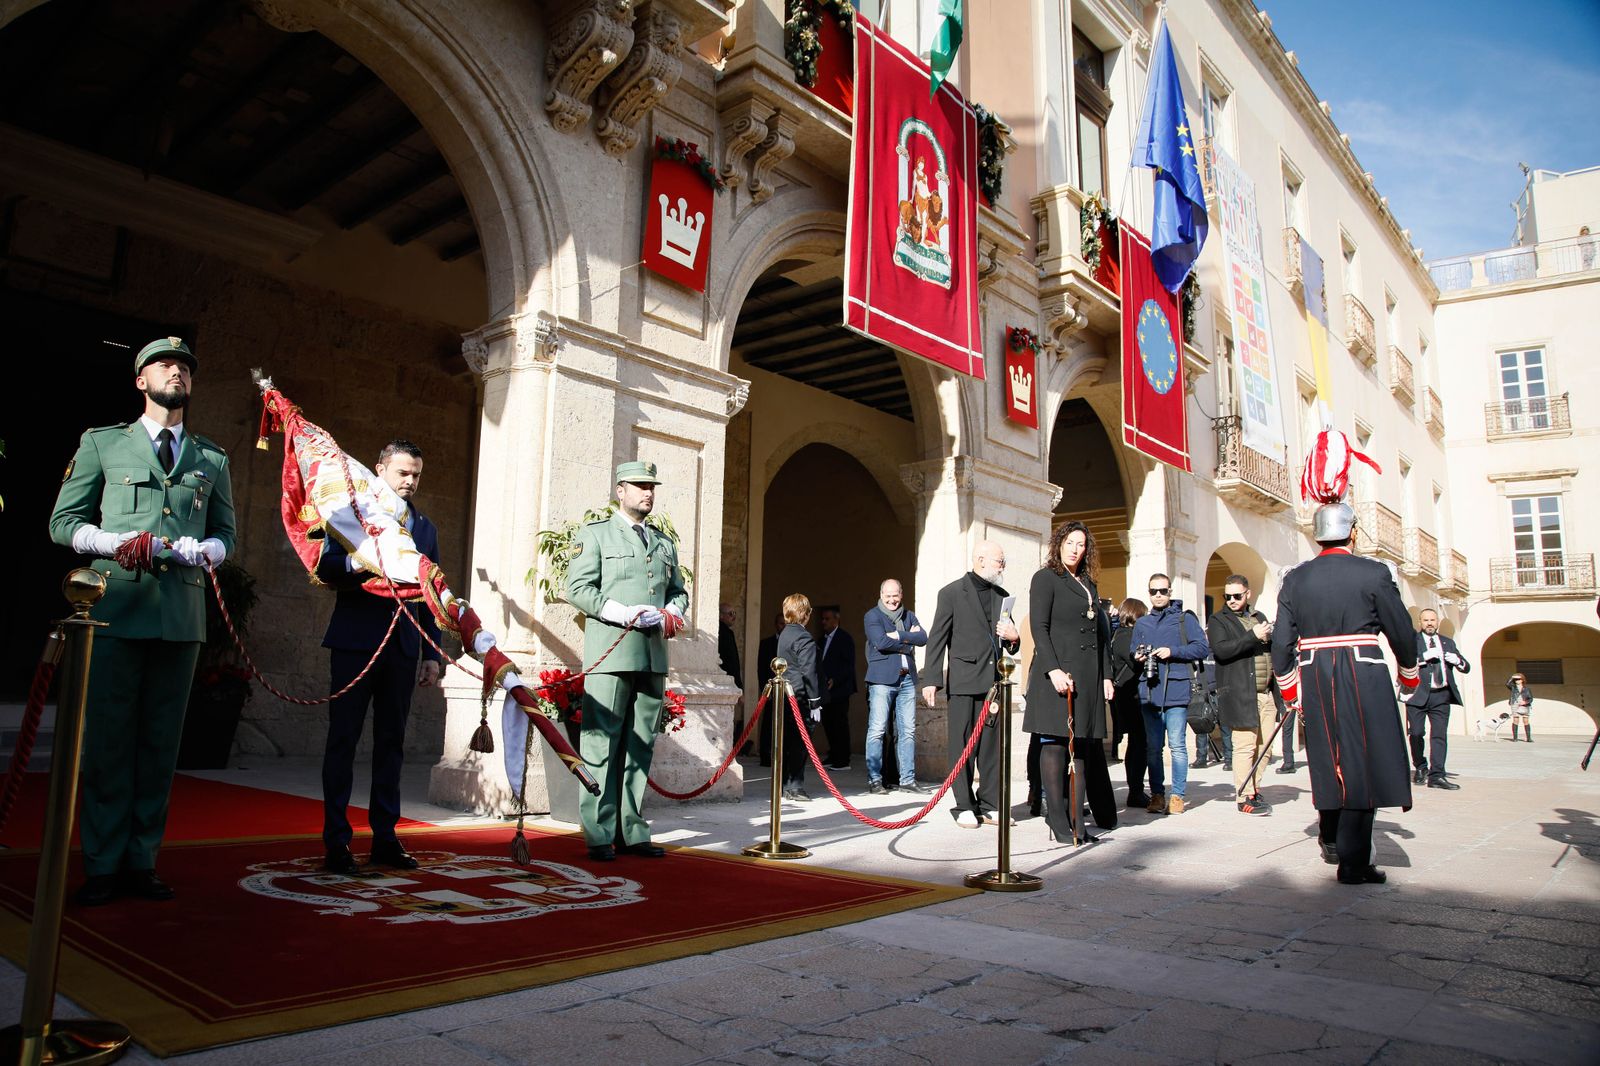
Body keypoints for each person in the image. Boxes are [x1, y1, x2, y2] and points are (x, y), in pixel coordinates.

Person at [49, 337, 237, 905]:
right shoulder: (104, 444)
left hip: (181, 615)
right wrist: (114, 541)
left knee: (160, 746)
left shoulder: (211, 458)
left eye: (184, 367)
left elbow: (226, 533)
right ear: (141, 380)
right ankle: (102, 864)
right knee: (108, 742)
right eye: (164, 365)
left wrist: (208, 551)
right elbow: (64, 524)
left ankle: (140, 861)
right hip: (117, 610)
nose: (176, 371)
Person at [1273, 496, 1419, 885]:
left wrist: (1290, 689)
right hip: (1362, 669)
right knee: (1360, 762)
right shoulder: (1374, 573)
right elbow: (1401, 631)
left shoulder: (1294, 577)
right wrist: (1409, 672)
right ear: (1352, 532)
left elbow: (1282, 641)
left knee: (1325, 756)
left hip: (1314, 672)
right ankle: (1353, 861)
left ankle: (1331, 837)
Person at [317, 440, 443, 874]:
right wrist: (361, 563)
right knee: (343, 741)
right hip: (356, 641)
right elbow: (325, 568)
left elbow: (429, 595)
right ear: (380, 469)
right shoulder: (353, 513)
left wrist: (431, 653)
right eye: (402, 473)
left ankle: (386, 838)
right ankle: (337, 842)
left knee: (391, 745)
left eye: (416, 475)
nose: (409, 482)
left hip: (403, 647)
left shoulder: (425, 527)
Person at [565, 460, 688, 861]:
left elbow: (678, 590)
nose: (647, 492)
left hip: (652, 655)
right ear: (620, 490)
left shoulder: (664, 542)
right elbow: (578, 587)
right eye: (639, 486)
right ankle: (599, 833)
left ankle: (632, 830)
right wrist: (620, 611)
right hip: (612, 652)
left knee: (641, 746)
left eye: (651, 486)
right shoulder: (597, 534)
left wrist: (672, 609)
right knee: (601, 744)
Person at [1024, 522, 1117, 843]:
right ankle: (1059, 822)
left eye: (1081, 544)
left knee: (1081, 748)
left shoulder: (1088, 584)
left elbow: (1101, 636)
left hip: (1088, 678)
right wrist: (1052, 670)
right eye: (1070, 542)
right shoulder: (1046, 578)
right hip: (1057, 675)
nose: (1076, 549)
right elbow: (1040, 626)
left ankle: (1078, 823)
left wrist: (1106, 674)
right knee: (1054, 744)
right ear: (1059, 544)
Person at [923, 541, 1021, 828]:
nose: (1002, 566)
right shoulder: (952, 593)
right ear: (980, 559)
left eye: (1003, 561)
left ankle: (990, 804)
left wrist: (1014, 637)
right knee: (962, 746)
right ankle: (964, 805)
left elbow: (1011, 642)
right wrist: (932, 680)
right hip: (964, 682)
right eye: (999, 561)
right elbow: (937, 638)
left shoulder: (1003, 596)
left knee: (991, 748)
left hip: (994, 684)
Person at [1129, 574, 1209, 816]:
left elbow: (1202, 648)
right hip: (1150, 691)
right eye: (1154, 591)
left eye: (1163, 590)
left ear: (1170, 591)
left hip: (1176, 690)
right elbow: (1133, 651)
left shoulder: (1184, 619)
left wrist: (1172, 651)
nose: (1159, 595)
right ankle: (1156, 794)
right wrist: (1139, 656)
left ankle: (1178, 796)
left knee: (1177, 746)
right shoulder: (1142, 623)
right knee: (1153, 748)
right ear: (1149, 593)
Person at [1207, 574, 1276, 816]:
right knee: (1245, 747)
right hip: (1240, 693)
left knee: (1265, 747)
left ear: (1248, 593)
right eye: (1228, 596)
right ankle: (1243, 796)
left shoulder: (1260, 617)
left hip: (1266, 693)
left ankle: (1253, 788)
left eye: (1237, 595)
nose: (1233, 600)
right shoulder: (1218, 620)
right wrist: (1253, 636)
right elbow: (1222, 650)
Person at [862, 579, 932, 795]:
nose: (892, 600)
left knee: (908, 731)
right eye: (887, 596)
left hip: (907, 680)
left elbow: (923, 638)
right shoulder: (872, 616)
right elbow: (880, 642)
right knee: (877, 730)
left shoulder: (908, 615)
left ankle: (907, 780)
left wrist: (900, 635)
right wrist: (906, 644)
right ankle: (875, 780)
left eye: (895, 595)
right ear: (881, 594)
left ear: (901, 595)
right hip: (882, 680)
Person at [1404, 608, 1470, 790]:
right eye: (1426, 620)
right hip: (1417, 695)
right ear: (1420, 623)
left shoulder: (1447, 643)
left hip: (1441, 695)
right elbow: (1405, 662)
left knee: (1439, 736)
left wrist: (1457, 660)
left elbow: (1466, 667)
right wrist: (1423, 658)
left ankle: (1437, 775)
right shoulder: (1412, 641)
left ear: (1438, 622)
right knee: (1416, 733)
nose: (1429, 623)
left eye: (1432, 620)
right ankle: (1420, 766)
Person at [775, 594, 826, 801]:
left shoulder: (786, 633)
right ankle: (794, 786)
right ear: (805, 614)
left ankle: (785, 785)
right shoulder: (803, 637)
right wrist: (815, 701)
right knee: (799, 743)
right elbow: (808, 671)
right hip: (800, 696)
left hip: (786, 694)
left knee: (788, 742)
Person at [1109, 598, 1151, 809]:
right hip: (1130, 695)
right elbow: (1135, 661)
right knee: (1139, 743)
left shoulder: (1118, 635)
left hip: (1124, 694)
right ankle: (1135, 790)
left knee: (1137, 742)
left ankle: (1136, 789)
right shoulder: (1127, 636)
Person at [817, 606, 858, 769]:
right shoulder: (822, 639)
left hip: (840, 689)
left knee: (839, 723)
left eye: (827, 619)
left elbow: (848, 665)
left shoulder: (844, 638)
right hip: (825, 689)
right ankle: (833, 754)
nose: (824, 622)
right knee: (828, 722)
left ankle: (843, 759)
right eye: (823, 619)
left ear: (836, 619)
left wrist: (835, 679)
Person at [755, 610, 784, 767]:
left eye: (785, 624)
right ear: (775, 625)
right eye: (780, 624)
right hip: (770, 689)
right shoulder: (766, 643)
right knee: (768, 724)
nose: (783, 627)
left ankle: (783, 756)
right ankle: (766, 756)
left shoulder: (792, 644)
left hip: (787, 691)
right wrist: (765, 690)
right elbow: (761, 669)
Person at [718, 602, 746, 750]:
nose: (733, 617)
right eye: (730, 613)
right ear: (721, 616)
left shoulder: (727, 632)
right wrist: (738, 688)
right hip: (725, 683)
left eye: (735, 613)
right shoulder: (723, 633)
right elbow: (731, 664)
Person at [1507, 673, 1534, 741]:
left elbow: (1530, 698)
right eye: (1515, 680)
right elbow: (1507, 684)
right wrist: (1512, 677)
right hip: (1515, 705)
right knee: (1516, 720)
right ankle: (1515, 738)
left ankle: (1528, 738)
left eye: (1518, 679)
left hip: (1525, 705)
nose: (1517, 681)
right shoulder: (1513, 688)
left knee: (1526, 720)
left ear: (1522, 680)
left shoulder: (1527, 689)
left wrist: (1525, 702)